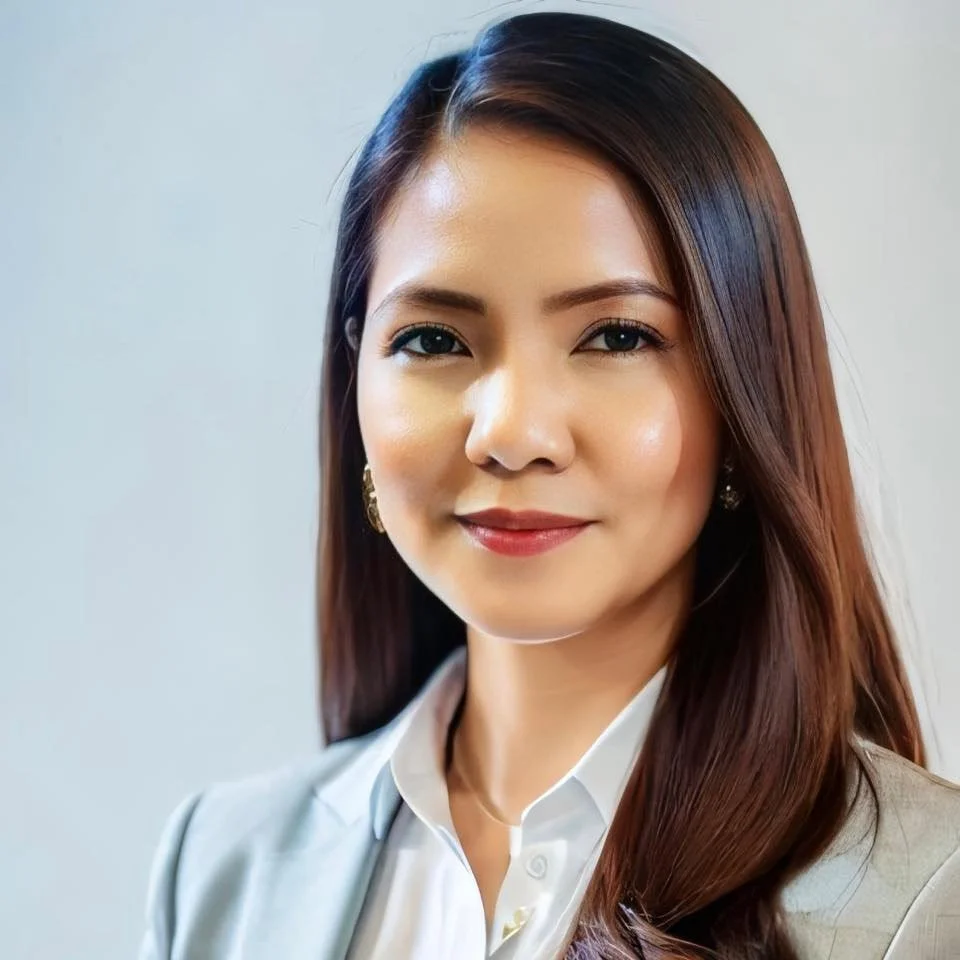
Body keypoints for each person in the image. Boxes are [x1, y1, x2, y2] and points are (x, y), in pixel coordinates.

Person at [137, 11, 960, 960]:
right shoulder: (220, 870)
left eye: (616, 336)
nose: (513, 433)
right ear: (355, 382)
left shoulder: (922, 905)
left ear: (745, 395)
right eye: (435, 340)